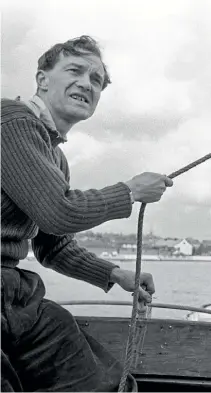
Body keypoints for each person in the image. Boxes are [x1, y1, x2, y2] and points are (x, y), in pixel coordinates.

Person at [1, 36, 174, 391]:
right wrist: (129, 192)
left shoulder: (54, 157)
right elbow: (57, 212)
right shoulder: (12, 122)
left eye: (96, 80)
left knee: (102, 382)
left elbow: (54, 247)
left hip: (13, 297)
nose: (86, 83)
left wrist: (115, 274)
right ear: (42, 79)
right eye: (75, 70)